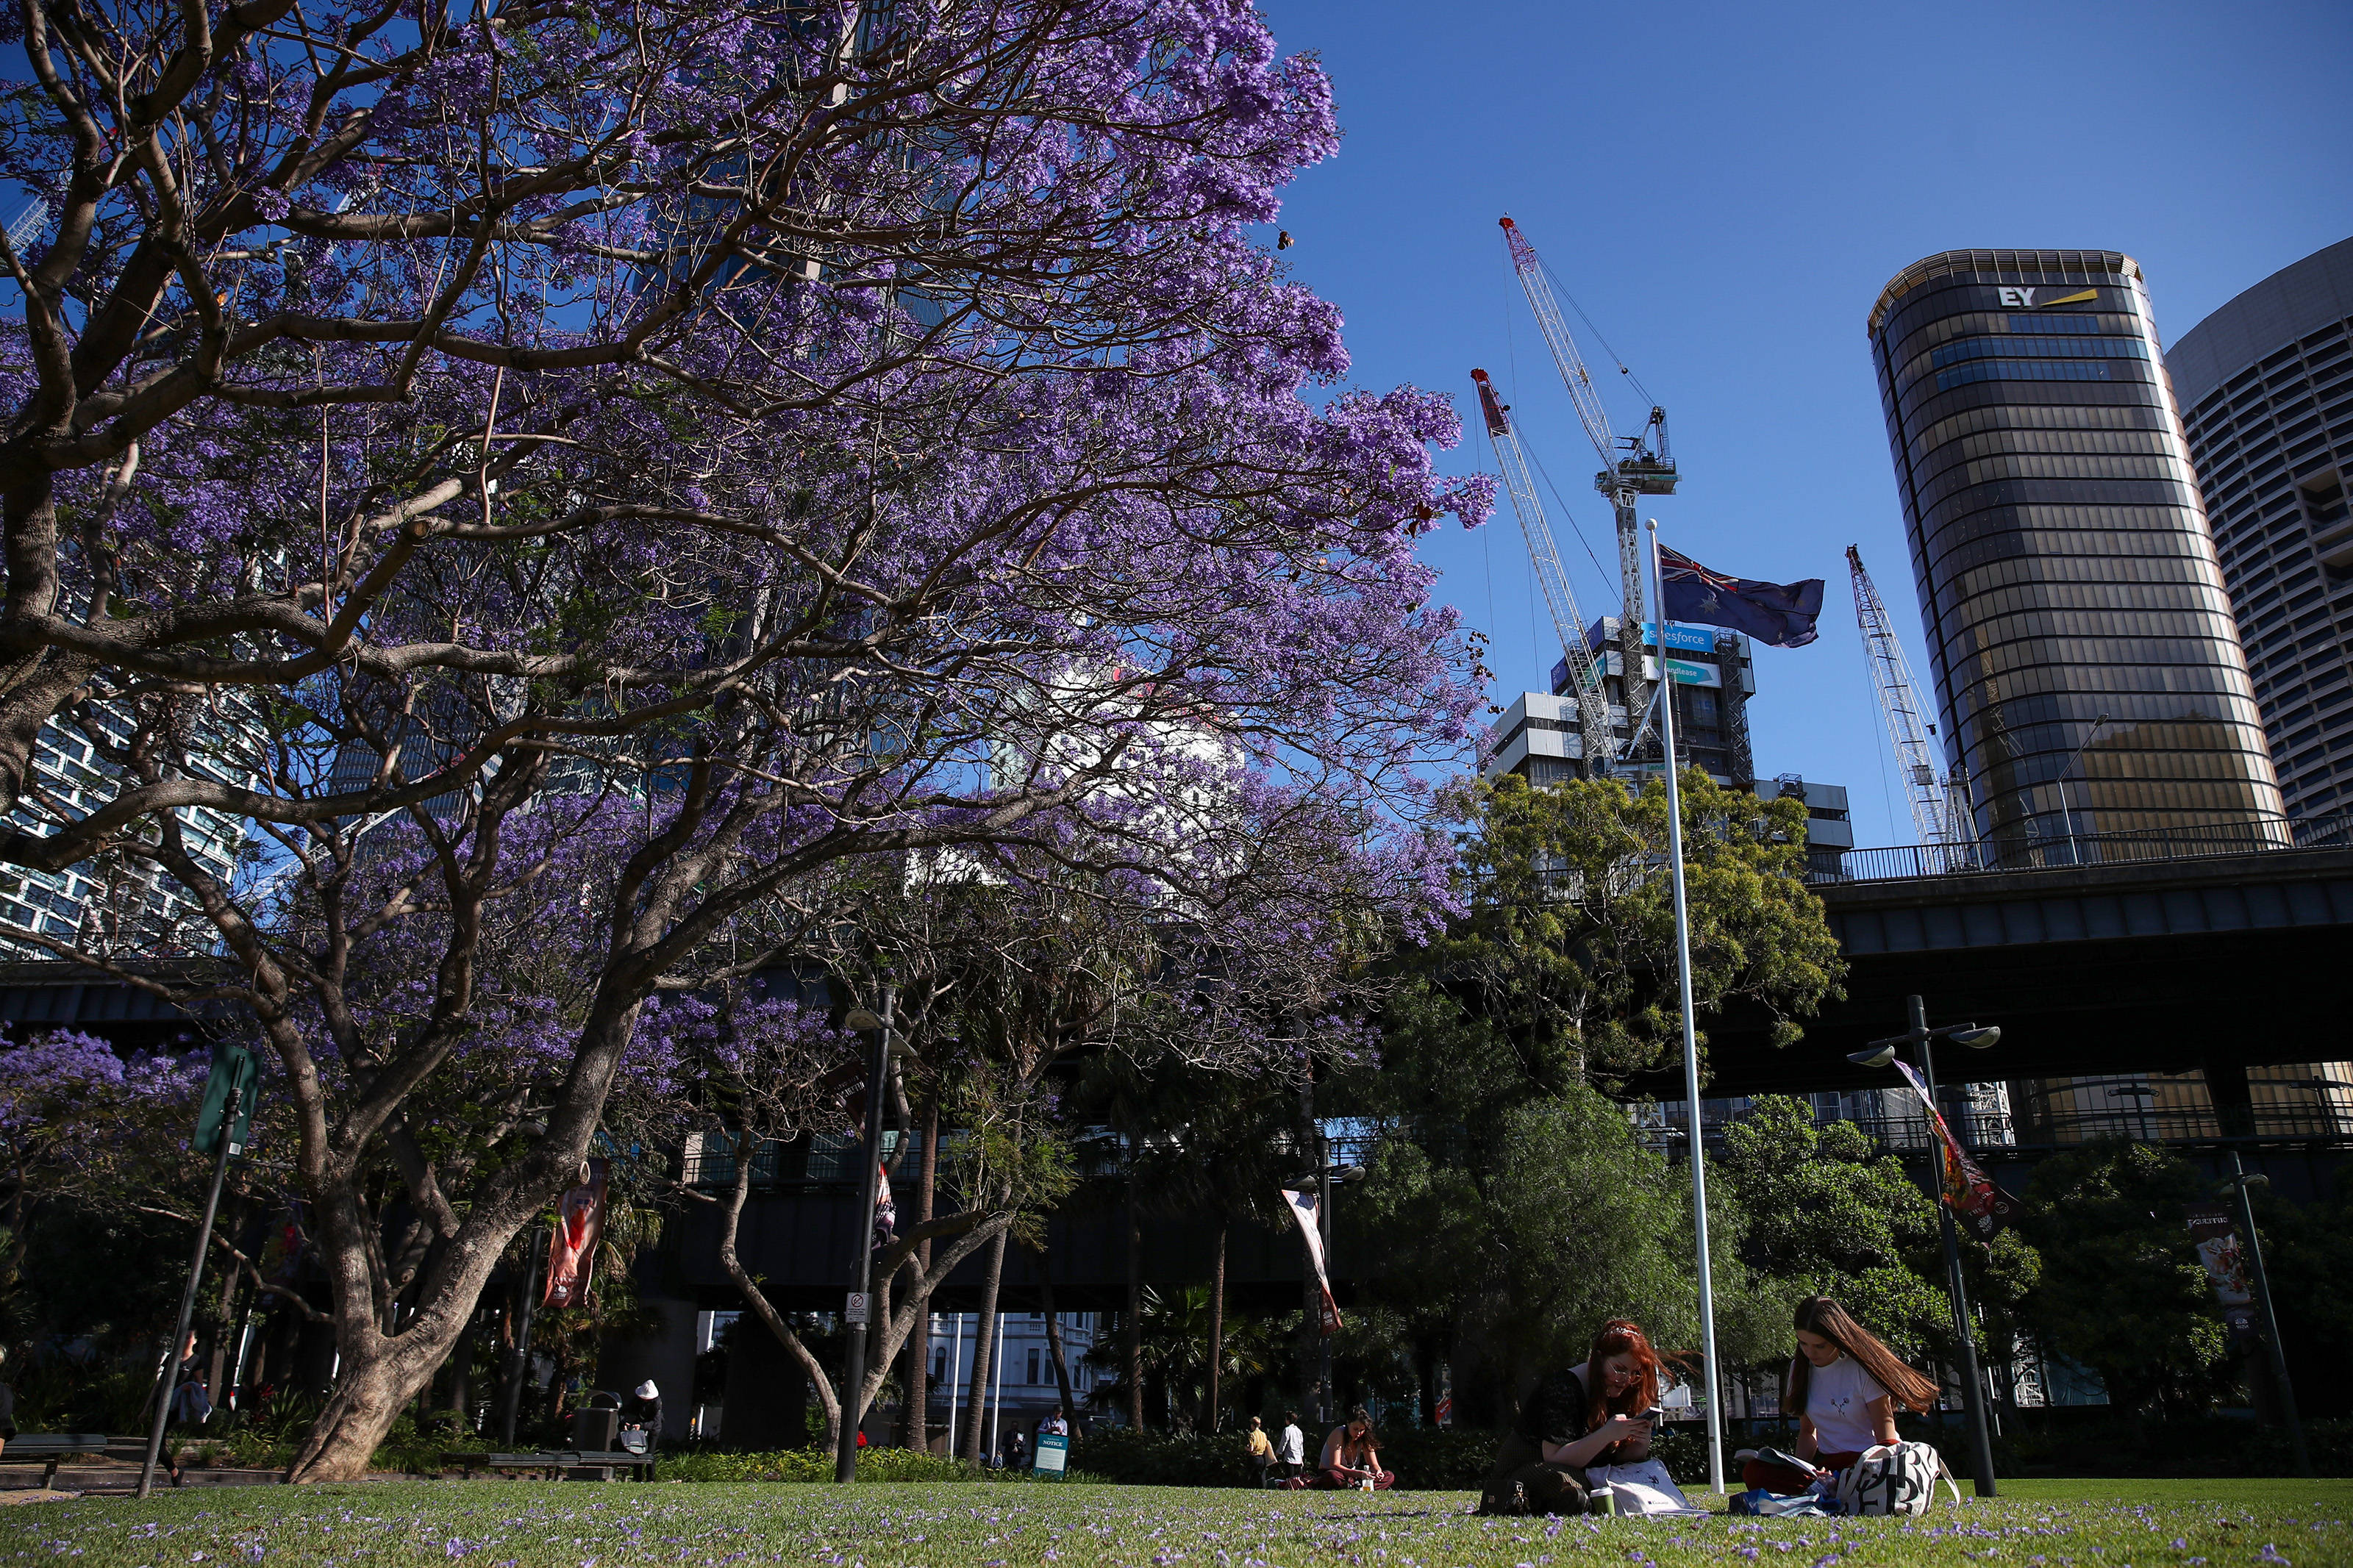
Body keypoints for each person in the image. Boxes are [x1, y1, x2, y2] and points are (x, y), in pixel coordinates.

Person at [1743, 1295, 1940, 1495]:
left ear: (1838, 1339)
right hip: (1831, 1466)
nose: (1810, 1352)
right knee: (1754, 1471)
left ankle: (1836, 1490)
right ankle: (1829, 1489)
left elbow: (1885, 1439)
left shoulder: (1862, 1369)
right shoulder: (1799, 1369)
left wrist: (1858, 1473)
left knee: (1856, 1484)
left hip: (1870, 1462)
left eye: (1820, 1346)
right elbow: (1807, 1433)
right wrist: (1801, 1468)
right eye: (1803, 1343)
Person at [1482, 1318, 1670, 1517]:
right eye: (1620, 1369)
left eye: (1634, 1373)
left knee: (1610, 1480)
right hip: (1531, 1466)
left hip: (1580, 1470)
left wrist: (1639, 1446)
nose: (1626, 1380)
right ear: (1598, 1359)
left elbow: (1610, 1460)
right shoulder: (1564, 1387)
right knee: (1571, 1482)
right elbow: (1555, 1457)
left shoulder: (1620, 1392)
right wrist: (1607, 1434)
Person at [1304, 1405, 1393, 1491]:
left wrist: (1378, 1472)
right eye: (1355, 1429)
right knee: (1332, 1476)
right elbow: (1334, 1465)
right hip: (1334, 1473)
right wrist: (1359, 1474)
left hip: (1352, 1476)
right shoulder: (1339, 1433)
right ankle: (1353, 1486)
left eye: (1362, 1430)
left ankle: (1353, 1486)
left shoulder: (1364, 1438)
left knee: (1389, 1475)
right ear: (1348, 1424)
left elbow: (1373, 1464)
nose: (1359, 1433)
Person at [619, 1380, 663, 1464]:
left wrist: (641, 1425)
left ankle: (650, 1477)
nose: (645, 1400)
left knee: (650, 1455)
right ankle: (637, 1477)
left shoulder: (657, 1402)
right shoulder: (637, 1399)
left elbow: (656, 1424)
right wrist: (625, 1422)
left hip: (653, 1429)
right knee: (637, 1452)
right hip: (639, 1426)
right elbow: (625, 1410)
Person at [1246, 1414, 1277, 1486]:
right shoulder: (1263, 1434)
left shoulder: (1252, 1435)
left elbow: (1251, 1449)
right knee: (1260, 1479)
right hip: (1262, 1459)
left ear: (1253, 1425)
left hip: (1254, 1458)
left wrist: (1245, 1448)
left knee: (1251, 1478)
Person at [1276, 1410, 1306, 1483]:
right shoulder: (1299, 1431)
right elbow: (1301, 1445)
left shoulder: (1287, 1430)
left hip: (1289, 1458)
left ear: (1287, 1420)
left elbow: (1283, 1443)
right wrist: (1302, 1457)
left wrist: (1278, 1452)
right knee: (1296, 1481)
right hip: (1298, 1458)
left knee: (1289, 1480)